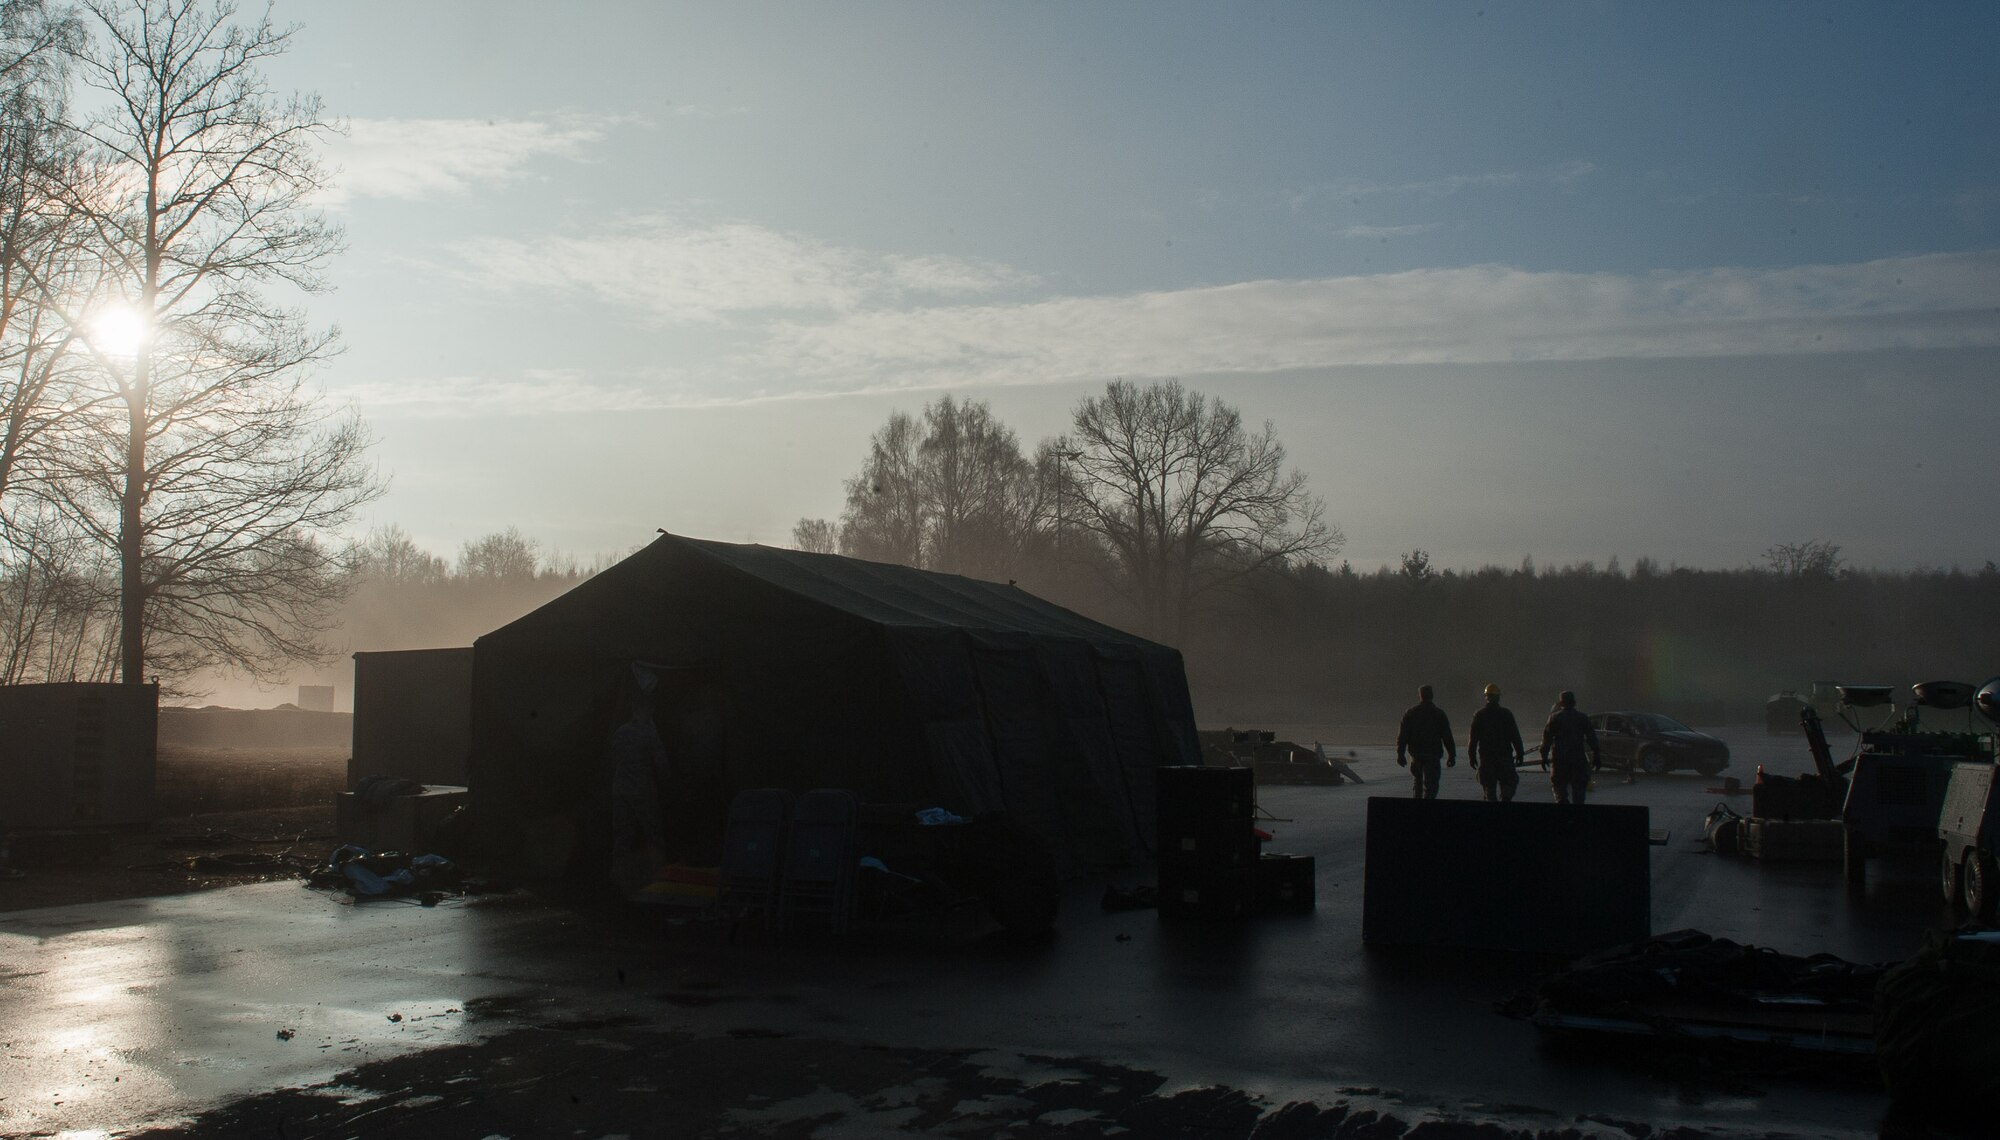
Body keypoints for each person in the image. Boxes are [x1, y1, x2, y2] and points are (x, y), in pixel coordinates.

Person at [1539, 690, 1602, 805]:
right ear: (1574, 703)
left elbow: (1546, 739)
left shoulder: (1554, 718)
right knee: (1579, 791)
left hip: (1560, 760)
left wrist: (1544, 757)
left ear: (1561, 703)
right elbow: (1592, 738)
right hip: (1577, 759)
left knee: (1559, 788)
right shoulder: (1582, 718)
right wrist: (1596, 755)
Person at [1395, 684, 1455, 799]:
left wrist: (1400, 754)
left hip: (1416, 755)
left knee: (1418, 784)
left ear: (1420, 696)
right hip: (1432, 755)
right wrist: (1452, 755)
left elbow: (1403, 736)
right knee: (1431, 787)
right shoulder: (1439, 714)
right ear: (1432, 695)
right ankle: (1427, 811)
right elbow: (1447, 737)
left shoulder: (1411, 713)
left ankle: (1418, 810)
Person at [1467, 683, 1526, 802]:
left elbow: (1473, 738)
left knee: (1489, 789)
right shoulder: (1506, 714)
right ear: (1498, 697)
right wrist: (1520, 753)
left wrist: (1471, 756)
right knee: (1509, 783)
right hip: (1504, 757)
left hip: (1487, 758)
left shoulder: (1480, 715)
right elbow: (1515, 736)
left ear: (1486, 697)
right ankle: (1505, 797)